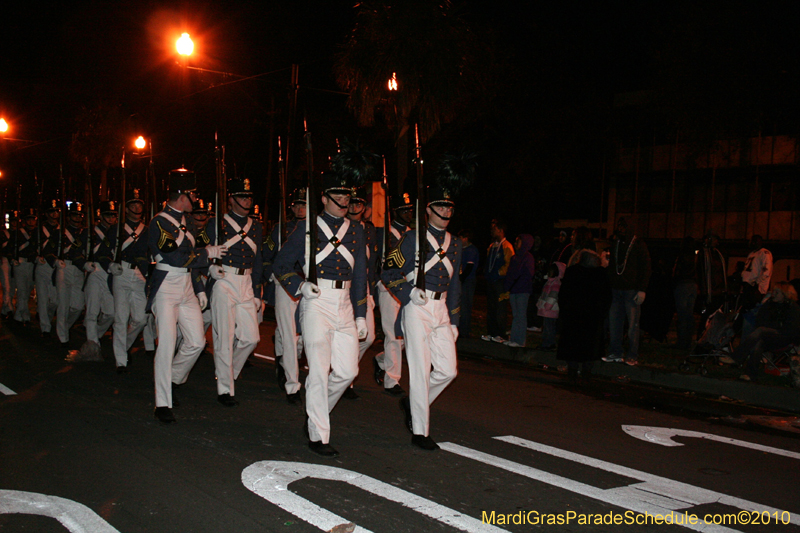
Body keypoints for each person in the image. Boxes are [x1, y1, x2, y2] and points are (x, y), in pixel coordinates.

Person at [272, 168, 368, 458]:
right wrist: (300, 286)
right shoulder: (308, 227)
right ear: (324, 197)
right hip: (316, 301)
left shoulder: (356, 230)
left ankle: (316, 411)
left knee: (348, 371)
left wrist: (361, 314)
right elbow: (280, 265)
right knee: (319, 370)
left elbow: (361, 274)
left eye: (346, 194)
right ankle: (318, 434)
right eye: (337, 194)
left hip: (345, 302)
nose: (343, 199)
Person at [382, 184, 462, 451]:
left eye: (449, 207)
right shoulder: (412, 238)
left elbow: (456, 285)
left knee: (448, 371)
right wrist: (408, 292)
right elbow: (389, 272)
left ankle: (414, 403)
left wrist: (455, 320)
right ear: (428, 210)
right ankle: (420, 431)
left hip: (440, 310)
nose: (445, 211)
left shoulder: (456, 243)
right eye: (440, 206)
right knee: (420, 371)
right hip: (417, 307)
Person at [146, 168, 227, 423]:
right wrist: (207, 254)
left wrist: (200, 288)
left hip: (186, 285)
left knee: (196, 342)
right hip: (166, 286)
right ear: (183, 195)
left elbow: (190, 262)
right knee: (167, 344)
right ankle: (162, 403)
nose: (195, 201)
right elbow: (176, 257)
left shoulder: (187, 221)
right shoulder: (159, 222)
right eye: (193, 195)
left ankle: (171, 378)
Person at [206, 177, 263, 407]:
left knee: (251, 338)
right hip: (224, 280)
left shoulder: (256, 226)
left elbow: (258, 259)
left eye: (249, 196)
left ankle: (230, 373)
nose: (247, 200)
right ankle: (225, 390)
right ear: (230, 199)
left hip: (246, 280)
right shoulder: (217, 223)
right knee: (225, 337)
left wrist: (257, 291)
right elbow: (203, 250)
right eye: (242, 196)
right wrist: (210, 267)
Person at [263, 188, 306, 404]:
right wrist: (271, 275)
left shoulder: (316, 230)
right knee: (289, 334)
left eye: (304, 204)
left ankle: (284, 361)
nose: (300, 208)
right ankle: (292, 384)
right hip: (286, 283)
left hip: (309, 285)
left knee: (303, 337)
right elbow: (267, 255)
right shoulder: (281, 229)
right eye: (297, 204)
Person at [373, 193, 414, 396]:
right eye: (404, 210)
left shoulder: (412, 234)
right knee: (393, 333)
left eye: (410, 210)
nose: (408, 213)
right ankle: (392, 379)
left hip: (407, 287)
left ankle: (382, 359)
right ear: (394, 212)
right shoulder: (384, 233)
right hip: (388, 287)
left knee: (407, 333)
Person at [108, 189, 151, 373]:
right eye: (133, 204)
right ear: (126, 209)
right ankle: (120, 361)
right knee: (120, 317)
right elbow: (102, 251)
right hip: (122, 272)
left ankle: (122, 346)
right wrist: (110, 265)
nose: (137, 207)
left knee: (141, 319)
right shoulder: (116, 229)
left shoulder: (147, 230)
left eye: (139, 204)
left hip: (140, 274)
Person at [342, 185, 378, 400]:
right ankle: (346, 378)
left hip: (363, 286)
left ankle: (346, 370)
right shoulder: (340, 227)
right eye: (352, 202)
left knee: (368, 336)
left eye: (359, 203)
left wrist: (371, 291)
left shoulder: (370, 229)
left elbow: (372, 263)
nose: (355, 207)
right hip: (343, 285)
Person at [557, 250, 612, 382]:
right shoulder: (600, 274)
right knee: (590, 346)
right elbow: (606, 297)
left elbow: (564, 294)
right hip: (592, 317)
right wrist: (602, 313)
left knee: (572, 344)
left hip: (573, 315)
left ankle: (573, 370)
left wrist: (565, 311)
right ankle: (586, 371)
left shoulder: (573, 272)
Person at [603, 217, 651, 366]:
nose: (620, 229)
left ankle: (632, 355)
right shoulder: (616, 243)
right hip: (616, 289)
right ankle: (615, 352)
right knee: (614, 323)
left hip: (631, 290)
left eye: (623, 226)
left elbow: (646, 267)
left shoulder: (638, 244)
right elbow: (613, 266)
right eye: (619, 226)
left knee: (632, 325)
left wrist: (642, 289)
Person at [734, 282, 800, 382]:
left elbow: (791, 329)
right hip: (768, 337)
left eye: (777, 292)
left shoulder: (793, 307)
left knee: (761, 331)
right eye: (773, 291)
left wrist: (773, 327)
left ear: (785, 294)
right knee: (758, 342)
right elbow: (759, 321)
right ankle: (750, 374)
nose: (773, 294)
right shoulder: (769, 305)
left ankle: (737, 357)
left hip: (784, 338)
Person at [79, 200, 118, 359]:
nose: (111, 218)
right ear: (100, 216)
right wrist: (83, 263)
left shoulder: (118, 232)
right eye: (108, 215)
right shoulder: (89, 232)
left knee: (111, 312)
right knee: (92, 311)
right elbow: (76, 251)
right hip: (95, 271)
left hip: (111, 272)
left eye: (113, 215)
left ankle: (96, 334)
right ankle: (92, 345)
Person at [55, 201, 87, 348]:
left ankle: (64, 327)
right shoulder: (60, 231)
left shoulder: (84, 232)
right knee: (63, 303)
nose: (77, 218)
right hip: (64, 266)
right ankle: (63, 337)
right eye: (75, 215)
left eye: (80, 215)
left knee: (78, 305)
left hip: (79, 268)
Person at [482, 218, 513, 343]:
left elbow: (509, 264)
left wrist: (498, 273)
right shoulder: (492, 246)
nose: (491, 231)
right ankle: (491, 333)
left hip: (500, 282)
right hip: (491, 282)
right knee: (491, 308)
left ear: (500, 231)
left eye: (494, 229)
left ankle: (500, 334)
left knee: (500, 308)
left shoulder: (507, 246)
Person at [504, 234, 535, 347]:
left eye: (518, 241)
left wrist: (514, 284)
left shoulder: (528, 257)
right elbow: (509, 273)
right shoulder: (514, 257)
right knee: (516, 315)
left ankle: (520, 341)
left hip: (522, 290)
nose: (516, 244)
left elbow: (527, 274)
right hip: (514, 290)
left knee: (520, 316)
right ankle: (514, 339)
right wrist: (508, 286)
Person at [35, 200, 60, 337]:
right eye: (52, 211)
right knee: (43, 298)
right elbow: (33, 247)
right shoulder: (40, 229)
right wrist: (36, 257)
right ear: (46, 214)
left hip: (56, 266)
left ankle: (48, 320)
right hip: (43, 265)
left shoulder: (62, 230)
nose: (54, 214)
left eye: (56, 211)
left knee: (55, 300)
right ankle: (45, 328)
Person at [697, 233, 727, 337]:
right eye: (714, 239)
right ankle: (702, 335)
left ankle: (712, 335)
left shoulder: (718, 254)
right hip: (709, 290)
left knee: (716, 315)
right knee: (706, 315)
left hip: (717, 290)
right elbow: (701, 272)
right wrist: (704, 290)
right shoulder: (703, 254)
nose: (717, 242)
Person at [12, 208, 39, 326]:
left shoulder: (38, 233)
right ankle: (22, 315)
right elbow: (10, 248)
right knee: (22, 290)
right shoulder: (18, 233)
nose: (31, 222)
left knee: (28, 290)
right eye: (29, 219)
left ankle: (21, 312)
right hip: (21, 263)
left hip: (33, 264)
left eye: (33, 219)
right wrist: (12, 258)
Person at [672, 236, 698, 351]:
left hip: (683, 284)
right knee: (689, 315)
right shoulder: (696, 257)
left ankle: (682, 342)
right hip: (693, 285)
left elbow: (676, 271)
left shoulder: (682, 256)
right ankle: (688, 341)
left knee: (682, 315)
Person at [536, 262, 565, 350]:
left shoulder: (555, 284)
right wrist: (539, 304)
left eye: (552, 271)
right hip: (546, 310)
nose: (550, 272)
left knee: (549, 328)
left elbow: (553, 297)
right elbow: (543, 295)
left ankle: (549, 344)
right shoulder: (548, 282)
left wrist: (546, 306)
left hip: (550, 310)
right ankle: (546, 343)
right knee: (546, 328)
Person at [741, 234, 772, 311]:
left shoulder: (764, 253)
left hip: (755, 288)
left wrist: (756, 284)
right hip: (748, 286)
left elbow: (766, 271)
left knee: (753, 309)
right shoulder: (751, 254)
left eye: (752, 241)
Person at [458, 228, 478, 339]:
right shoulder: (462, 249)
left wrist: (461, 278)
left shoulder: (471, 250)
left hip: (467, 281)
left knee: (465, 306)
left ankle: (464, 331)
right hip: (462, 280)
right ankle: (460, 328)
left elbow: (469, 267)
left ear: (465, 238)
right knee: (460, 306)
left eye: (461, 238)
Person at [1, 210, 18, 320]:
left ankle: (5, 308)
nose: (14, 223)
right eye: (13, 221)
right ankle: (9, 308)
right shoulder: (4, 233)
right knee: (6, 286)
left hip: (15, 261)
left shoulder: (20, 233)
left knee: (13, 286)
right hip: (5, 261)